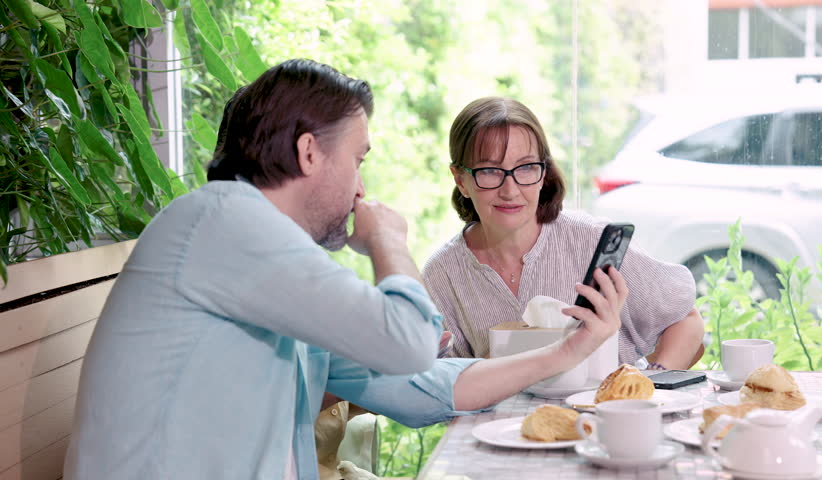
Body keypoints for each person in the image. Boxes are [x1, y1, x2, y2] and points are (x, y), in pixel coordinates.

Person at [64, 60, 625, 480]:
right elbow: (409, 343)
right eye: (358, 159)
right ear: (309, 153)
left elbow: (418, 386)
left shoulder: (265, 267)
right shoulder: (224, 222)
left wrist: (568, 351)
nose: (362, 187)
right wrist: (386, 240)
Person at [423, 96, 705, 369]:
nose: (510, 190)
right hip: (504, 419)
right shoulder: (442, 274)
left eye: (526, 167)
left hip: (604, 414)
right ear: (461, 180)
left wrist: (650, 386)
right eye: (490, 171)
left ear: (543, 172)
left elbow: (686, 319)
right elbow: (442, 386)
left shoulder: (590, 241)